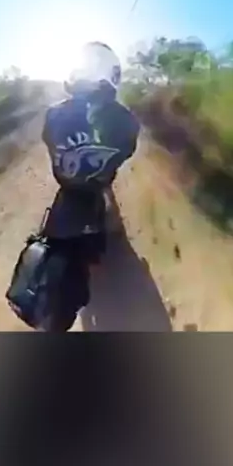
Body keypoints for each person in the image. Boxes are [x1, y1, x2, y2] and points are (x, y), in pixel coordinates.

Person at [40, 41, 140, 330]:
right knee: (104, 196)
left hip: (66, 188)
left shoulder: (54, 114)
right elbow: (126, 151)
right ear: (111, 75)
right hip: (96, 187)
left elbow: (49, 143)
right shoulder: (125, 119)